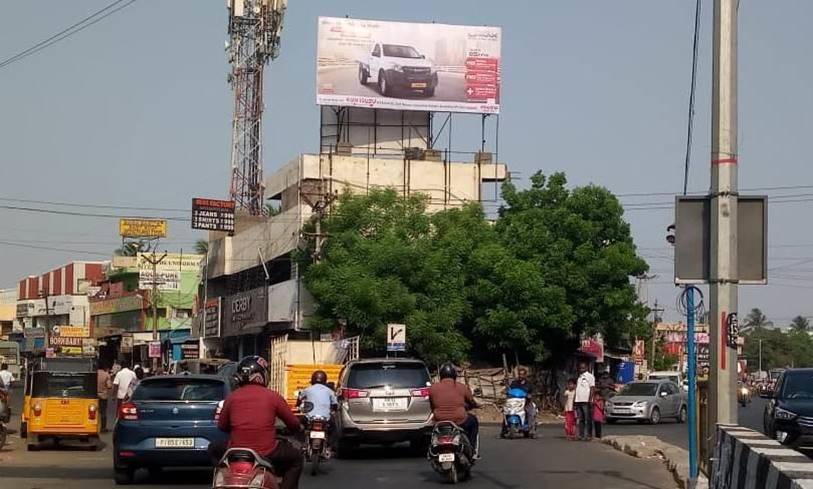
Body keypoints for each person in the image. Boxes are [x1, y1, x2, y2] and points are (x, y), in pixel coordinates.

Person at [210, 355, 303, 489]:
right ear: (261, 375)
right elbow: (293, 424)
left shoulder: (232, 397)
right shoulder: (273, 396)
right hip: (268, 451)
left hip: (235, 450)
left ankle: (223, 476)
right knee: (296, 459)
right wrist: (297, 429)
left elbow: (222, 426)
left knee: (213, 448)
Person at [429, 363, 480, 457]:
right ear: (454, 375)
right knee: (473, 421)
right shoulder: (461, 387)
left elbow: (432, 406)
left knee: (432, 432)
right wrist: (475, 405)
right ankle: (472, 449)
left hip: (439, 420)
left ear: (441, 375)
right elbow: (471, 401)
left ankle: (432, 451)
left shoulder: (433, 388)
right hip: (459, 420)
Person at [297, 370, 338, 453]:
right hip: (325, 418)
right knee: (334, 428)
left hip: (309, 418)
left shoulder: (307, 390)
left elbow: (299, 400)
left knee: (298, 426)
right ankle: (329, 446)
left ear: (312, 379)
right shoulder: (329, 391)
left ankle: (302, 444)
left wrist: (298, 405)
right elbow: (335, 404)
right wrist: (333, 410)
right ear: (324, 380)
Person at [508, 367, 537, 438]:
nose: (520, 376)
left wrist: (530, 395)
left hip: (526, 402)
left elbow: (533, 392)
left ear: (525, 375)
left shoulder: (529, 384)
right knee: (506, 412)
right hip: (515, 403)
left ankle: (532, 432)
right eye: (519, 374)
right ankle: (503, 431)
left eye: (522, 374)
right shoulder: (514, 383)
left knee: (531, 413)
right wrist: (507, 393)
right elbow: (510, 390)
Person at [574, 362, 595, 441]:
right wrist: (575, 400)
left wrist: (590, 400)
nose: (581, 369)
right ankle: (581, 435)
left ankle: (589, 435)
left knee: (588, 418)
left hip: (586, 401)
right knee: (581, 419)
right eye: (580, 368)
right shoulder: (579, 377)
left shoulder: (590, 376)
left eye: (583, 368)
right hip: (579, 400)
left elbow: (592, 388)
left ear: (586, 368)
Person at [97, 364, 113, 432]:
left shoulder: (94, 373)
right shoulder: (106, 375)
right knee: (103, 412)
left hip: (94, 396)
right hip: (103, 396)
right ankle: (103, 428)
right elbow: (109, 386)